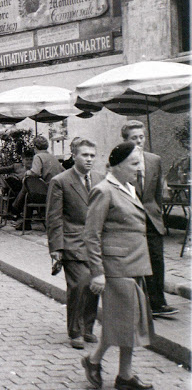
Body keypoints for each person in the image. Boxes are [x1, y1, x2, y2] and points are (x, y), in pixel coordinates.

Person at [81, 142, 155, 390]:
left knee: (128, 323)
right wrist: (98, 273)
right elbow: (91, 235)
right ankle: (97, 362)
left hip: (134, 265)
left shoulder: (128, 188)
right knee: (124, 322)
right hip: (116, 268)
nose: (139, 168)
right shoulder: (104, 190)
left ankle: (123, 375)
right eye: (134, 164)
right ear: (117, 166)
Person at [46, 139, 103, 349]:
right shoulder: (61, 181)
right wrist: (56, 248)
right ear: (74, 156)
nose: (89, 159)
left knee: (94, 285)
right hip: (72, 241)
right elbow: (54, 217)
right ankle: (75, 331)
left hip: (95, 243)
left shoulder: (99, 178)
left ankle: (88, 328)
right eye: (84, 155)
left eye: (92, 155)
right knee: (79, 285)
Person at [122, 120, 178, 317]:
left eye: (141, 137)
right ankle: (136, 303)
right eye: (134, 138)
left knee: (156, 258)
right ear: (126, 141)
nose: (139, 141)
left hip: (152, 218)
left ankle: (158, 303)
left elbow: (156, 194)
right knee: (134, 262)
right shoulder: (120, 161)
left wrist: (159, 217)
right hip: (131, 220)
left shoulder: (154, 160)